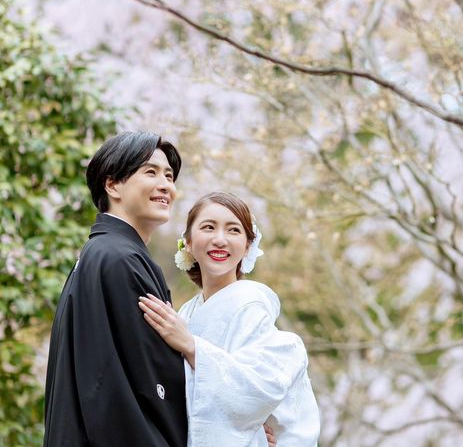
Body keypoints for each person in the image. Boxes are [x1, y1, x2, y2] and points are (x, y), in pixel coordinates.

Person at [138, 191, 320, 446]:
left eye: (233, 230)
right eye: (208, 227)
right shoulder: (185, 313)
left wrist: (192, 347)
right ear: (188, 242)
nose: (220, 240)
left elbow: (256, 390)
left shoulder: (251, 305)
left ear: (247, 245)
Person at [43, 132, 188, 446]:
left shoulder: (102, 253)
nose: (166, 185)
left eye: (169, 176)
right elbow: (153, 376)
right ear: (112, 185)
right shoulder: (121, 259)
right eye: (150, 172)